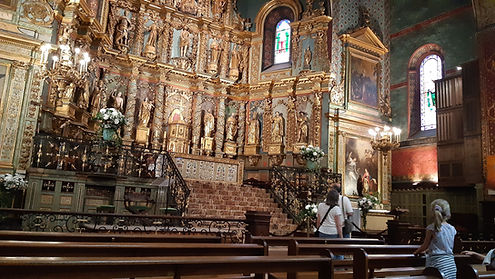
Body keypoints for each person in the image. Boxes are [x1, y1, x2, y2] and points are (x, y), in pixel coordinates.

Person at [414, 199, 457, 279]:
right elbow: (443, 245)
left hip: (436, 264)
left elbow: (425, 245)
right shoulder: (452, 228)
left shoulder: (431, 228)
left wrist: (416, 252)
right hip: (450, 263)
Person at [317, 189, 343, 259]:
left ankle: (324, 265)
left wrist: (318, 229)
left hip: (322, 231)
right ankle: (335, 265)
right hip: (333, 232)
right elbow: (338, 225)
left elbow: (318, 220)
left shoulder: (320, 205)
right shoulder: (336, 209)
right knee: (335, 251)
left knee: (324, 251)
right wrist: (341, 237)